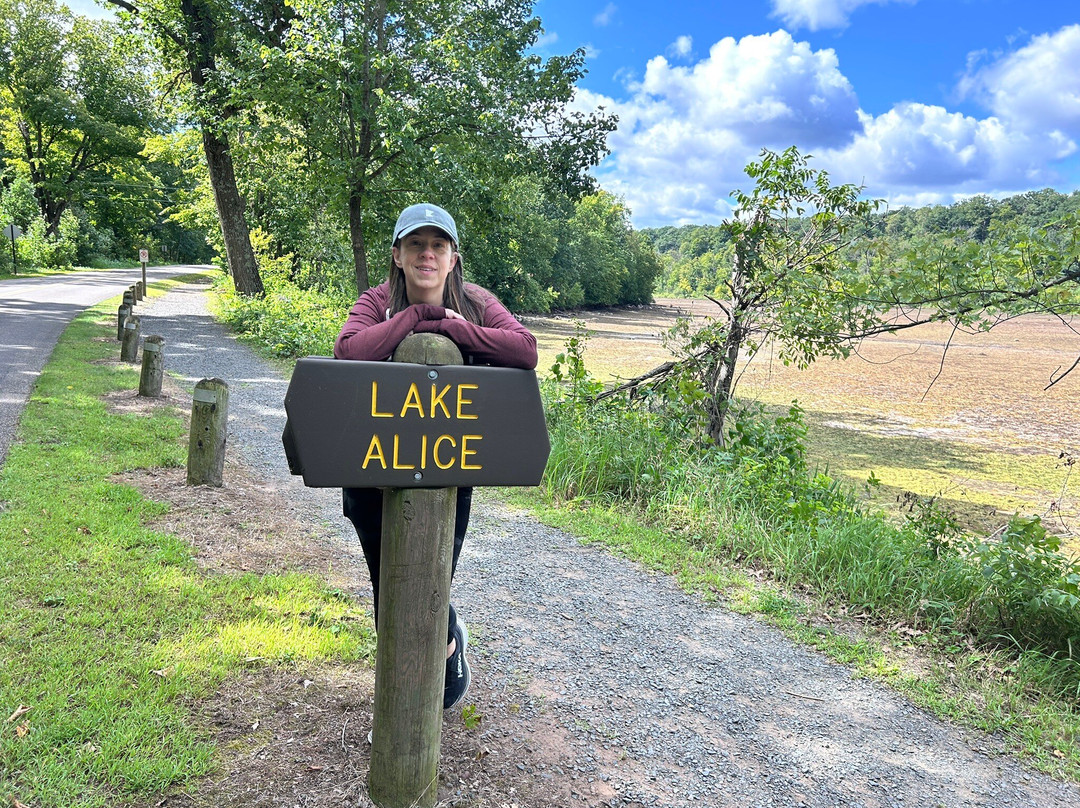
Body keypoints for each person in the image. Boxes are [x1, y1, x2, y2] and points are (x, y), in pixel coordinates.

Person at [333, 202, 537, 710]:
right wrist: (419, 316)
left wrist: (451, 326)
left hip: (447, 469)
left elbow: (525, 349)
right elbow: (349, 350)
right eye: (416, 244)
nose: (427, 254)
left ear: (452, 259)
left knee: (430, 579)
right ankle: (407, 692)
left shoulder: (476, 301)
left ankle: (438, 666)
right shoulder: (376, 300)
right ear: (398, 255)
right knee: (388, 583)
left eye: (438, 246)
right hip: (372, 469)